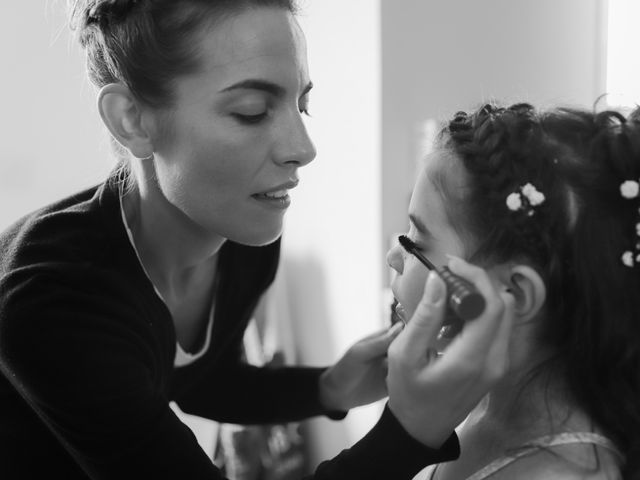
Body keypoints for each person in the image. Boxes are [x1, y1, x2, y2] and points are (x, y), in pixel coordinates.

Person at [0, 1, 516, 479]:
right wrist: (410, 431)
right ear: (132, 119)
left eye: (301, 104)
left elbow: (201, 379)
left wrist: (329, 386)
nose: (303, 148)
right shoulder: (50, 300)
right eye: (251, 111)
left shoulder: (241, 235)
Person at [386, 101, 640, 479]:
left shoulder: (564, 475)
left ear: (516, 293)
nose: (393, 255)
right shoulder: (476, 407)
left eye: (416, 245)